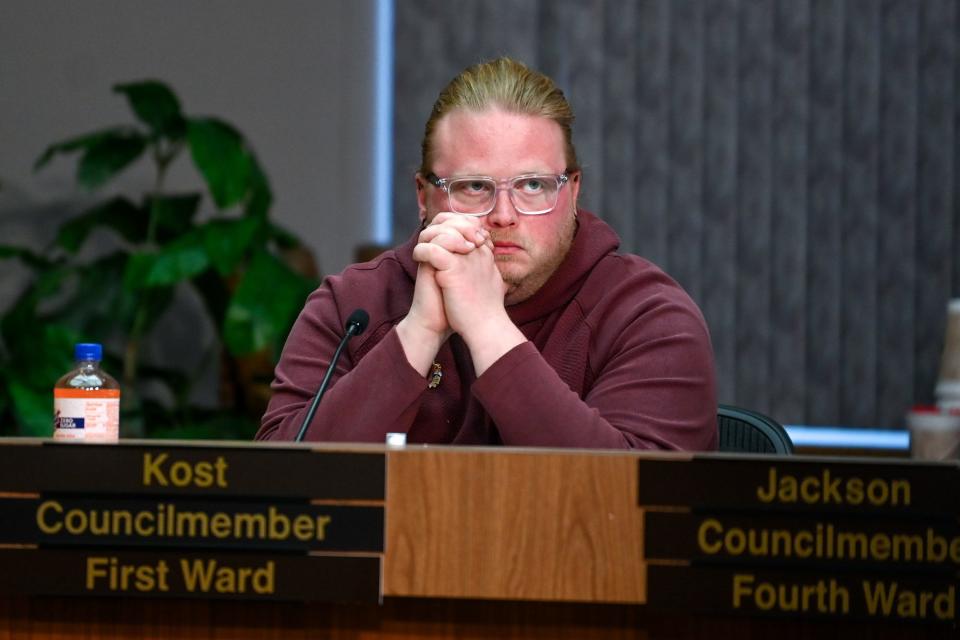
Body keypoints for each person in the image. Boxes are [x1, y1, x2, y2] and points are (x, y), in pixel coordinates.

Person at [256, 57, 717, 450]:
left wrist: (485, 324)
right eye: (474, 187)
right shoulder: (352, 306)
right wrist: (419, 331)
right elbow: (280, 491)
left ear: (573, 192)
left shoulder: (648, 316)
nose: (503, 216)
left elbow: (633, 509)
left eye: (533, 186)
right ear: (423, 197)